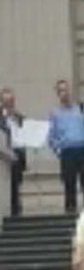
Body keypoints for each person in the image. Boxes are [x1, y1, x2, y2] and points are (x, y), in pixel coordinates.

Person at [48, 79, 84, 213]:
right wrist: (58, 150)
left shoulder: (82, 109)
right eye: (60, 91)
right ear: (57, 94)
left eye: (65, 90)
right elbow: (51, 135)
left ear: (70, 91)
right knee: (69, 183)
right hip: (67, 151)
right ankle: (70, 211)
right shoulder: (55, 113)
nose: (64, 93)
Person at [0, 87, 26, 217]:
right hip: (4, 159)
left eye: (11, 100)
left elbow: (26, 134)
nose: (10, 103)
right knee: (6, 189)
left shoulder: (20, 118)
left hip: (18, 157)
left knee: (17, 186)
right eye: (6, 101)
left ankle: (16, 211)